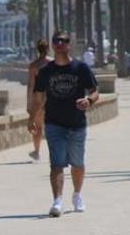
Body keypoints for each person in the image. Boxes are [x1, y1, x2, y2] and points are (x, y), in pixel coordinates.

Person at [28, 32, 99, 218]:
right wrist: (32, 119)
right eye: (56, 41)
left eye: (64, 41)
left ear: (70, 44)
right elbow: (37, 98)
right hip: (54, 124)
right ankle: (57, 201)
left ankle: (76, 195)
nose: (60, 44)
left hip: (77, 124)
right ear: (52, 45)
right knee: (56, 164)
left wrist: (88, 101)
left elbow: (94, 92)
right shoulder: (45, 71)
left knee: (77, 163)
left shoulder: (80, 68)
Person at [26, 40, 52, 161]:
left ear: (37, 49)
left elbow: (31, 85)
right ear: (48, 49)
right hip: (53, 96)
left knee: (38, 126)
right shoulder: (53, 63)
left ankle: (36, 151)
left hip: (38, 97)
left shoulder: (34, 66)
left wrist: (29, 103)